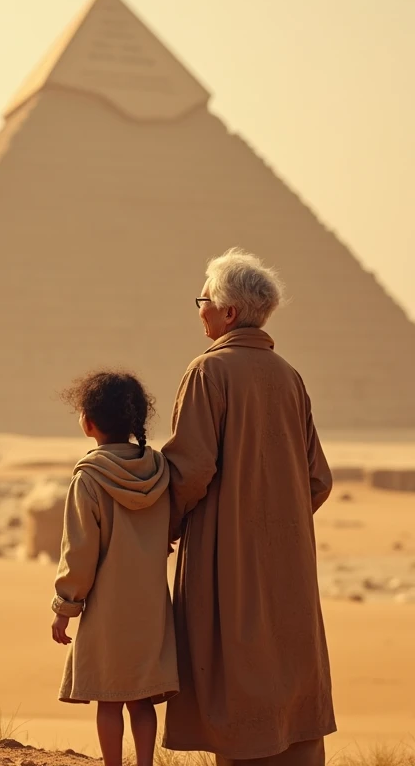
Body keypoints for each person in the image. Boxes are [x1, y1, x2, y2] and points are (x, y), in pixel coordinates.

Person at [162, 248, 336, 766]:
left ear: (229, 313)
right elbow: (317, 479)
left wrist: (165, 529)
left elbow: (190, 470)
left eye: (204, 301)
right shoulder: (290, 378)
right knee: (290, 666)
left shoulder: (208, 373)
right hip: (289, 560)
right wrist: (277, 519)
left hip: (226, 554)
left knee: (233, 672)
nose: (200, 311)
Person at [51, 371, 179, 766]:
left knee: (108, 699)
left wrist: (64, 608)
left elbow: (80, 554)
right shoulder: (160, 471)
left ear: (88, 422)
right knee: (142, 700)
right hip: (152, 606)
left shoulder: (89, 478)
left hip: (107, 609)